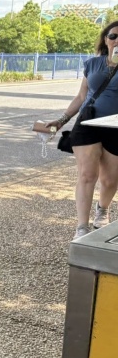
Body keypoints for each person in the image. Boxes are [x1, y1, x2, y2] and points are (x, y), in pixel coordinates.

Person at [46, 20, 118, 240]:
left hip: (115, 126)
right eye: (113, 36)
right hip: (88, 123)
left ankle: (102, 209)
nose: (117, 40)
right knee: (87, 175)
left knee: (111, 179)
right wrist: (61, 120)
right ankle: (82, 227)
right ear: (106, 40)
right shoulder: (92, 64)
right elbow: (81, 96)